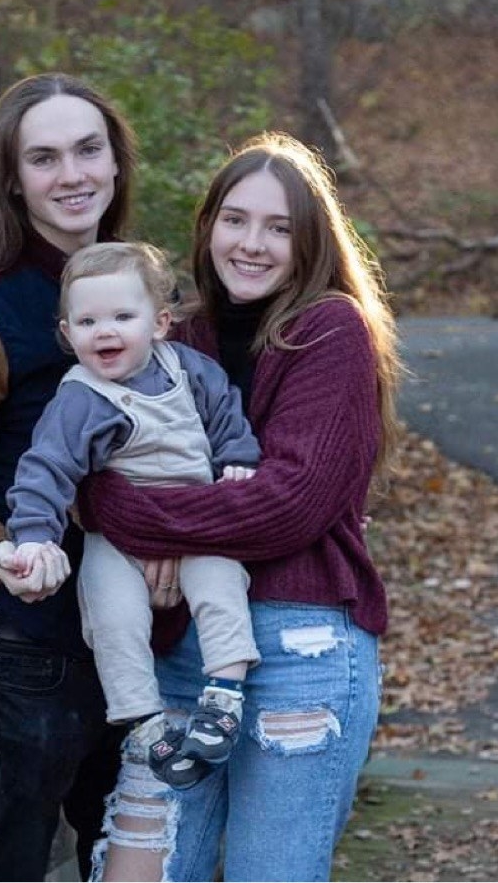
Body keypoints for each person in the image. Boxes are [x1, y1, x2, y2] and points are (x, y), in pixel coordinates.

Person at [77, 131, 403, 883]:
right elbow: (87, 463)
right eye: (235, 219)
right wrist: (120, 501)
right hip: (179, 661)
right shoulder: (170, 332)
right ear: (207, 227)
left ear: (309, 241)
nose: (251, 243)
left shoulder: (330, 331)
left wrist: (138, 518)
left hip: (301, 654)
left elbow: (288, 503)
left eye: (279, 227)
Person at [0, 74, 138, 882]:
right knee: (14, 868)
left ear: (115, 162)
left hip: (144, 641)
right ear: (12, 177)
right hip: (28, 649)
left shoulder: (134, 292)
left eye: (88, 149)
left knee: (138, 859)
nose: (72, 173)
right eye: (44, 157)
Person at [5, 241, 262, 790]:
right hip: (117, 542)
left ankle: (224, 697)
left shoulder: (191, 370)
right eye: (88, 320)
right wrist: (33, 537)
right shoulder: (80, 399)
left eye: (123, 316)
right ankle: (144, 722)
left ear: (161, 322)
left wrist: (239, 458)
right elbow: (45, 469)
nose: (105, 331)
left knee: (221, 585)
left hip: (197, 520)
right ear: (67, 331)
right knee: (111, 613)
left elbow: (226, 416)